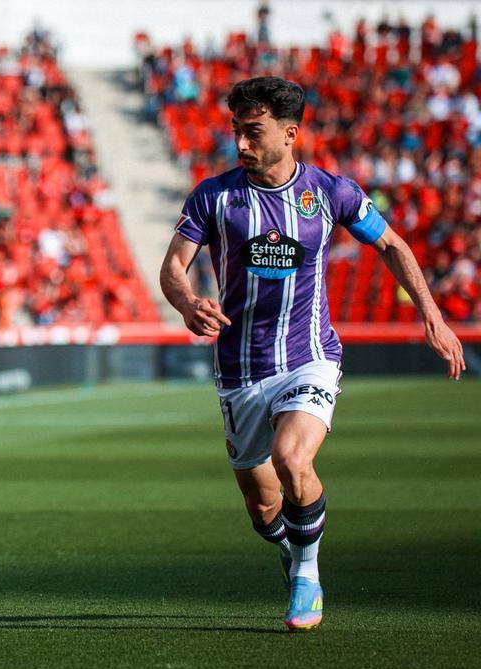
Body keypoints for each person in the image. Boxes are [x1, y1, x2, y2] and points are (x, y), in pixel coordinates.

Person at [159, 77, 465, 631]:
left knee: (293, 459)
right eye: (237, 133)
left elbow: (393, 244)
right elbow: (174, 266)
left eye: (253, 133)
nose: (242, 145)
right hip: (239, 370)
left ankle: (308, 575)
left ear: (290, 133)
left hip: (309, 355)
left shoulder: (330, 192)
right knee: (263, 508)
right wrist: (185, 301)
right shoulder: (214, 195)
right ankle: (290, 546)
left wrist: (432, 312)